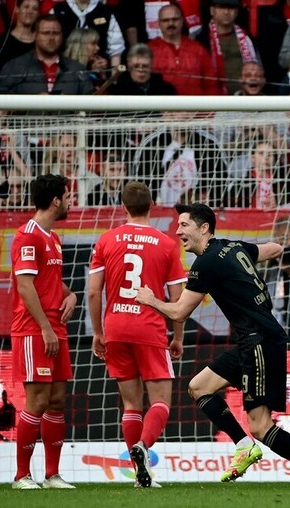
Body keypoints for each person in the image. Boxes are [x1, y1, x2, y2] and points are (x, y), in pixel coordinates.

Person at [135, 203, 290, 490]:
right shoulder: (232, 246)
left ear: (204, 228)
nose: (178, 231)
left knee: (260, 426)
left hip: (260, 341)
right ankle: (244, 446)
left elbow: (179, 313)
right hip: (254, 339)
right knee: (199, 387)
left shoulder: (206, 263)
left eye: (184, 225)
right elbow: (274, 248)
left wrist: (150, 300)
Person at [87, 182, 187, 488]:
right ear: (152, 205)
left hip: (116, 327)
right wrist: (178, 336)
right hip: (149, 328)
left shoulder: (106, 240)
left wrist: (98, 332)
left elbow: (93, 292)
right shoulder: (166, 244)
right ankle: (143, 446)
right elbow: (177, 296)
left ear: (123, 207)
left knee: (131, 404)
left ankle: (139, 475)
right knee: (161, 401)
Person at [10, 174, 78, 490]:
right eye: (68, 196)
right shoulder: (28, 235)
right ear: (55, 201)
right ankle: (21, 476)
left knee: (57, 400)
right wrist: (45, 327)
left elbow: (49, 281)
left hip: (54, 328)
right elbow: (25, 286)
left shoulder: (53, 237)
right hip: (33, 329)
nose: (71, 202)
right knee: (36, 401)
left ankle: (52, 475)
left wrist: (71, 294)